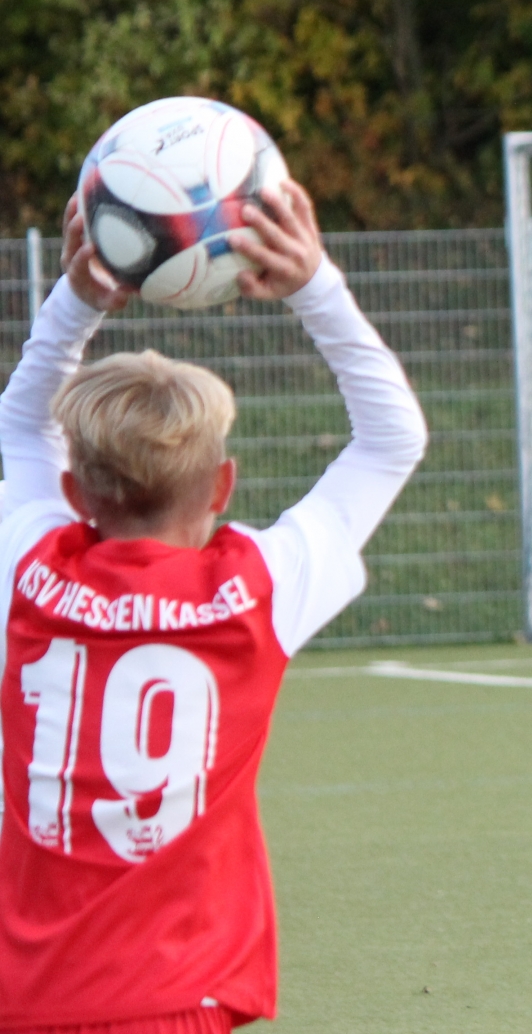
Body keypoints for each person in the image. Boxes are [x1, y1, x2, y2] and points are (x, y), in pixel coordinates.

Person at [0, 183, 428, 1030]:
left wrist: (78, 298)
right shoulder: (255, 590)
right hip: (178, 998)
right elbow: (393, 438)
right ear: (223, 486)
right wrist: (312, 283)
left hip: (30, 999)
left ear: (74, 492)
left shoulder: (27, 574)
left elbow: (20, 427)